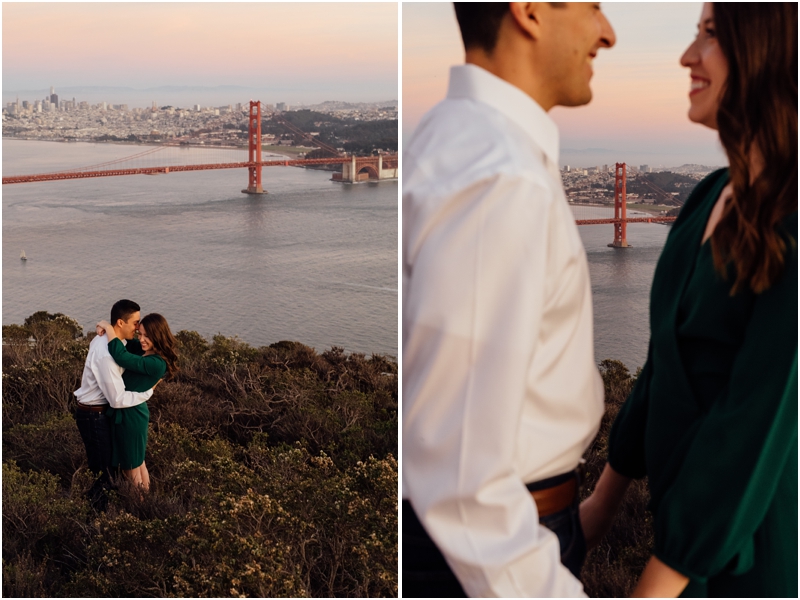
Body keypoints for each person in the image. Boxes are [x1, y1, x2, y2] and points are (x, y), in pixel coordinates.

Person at [580, 3, 797, 597]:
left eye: (710, 36)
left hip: (746, 560)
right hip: (684, 553)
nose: (686, 56)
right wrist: (603, 499)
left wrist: (656, 585)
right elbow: (664, 366)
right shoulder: (709, 196)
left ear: (769, 53)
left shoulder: (793, 227)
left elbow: (752, 428)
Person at [402, 3, 615, 597]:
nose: (608, 32)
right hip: (491, 556)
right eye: (594, 5)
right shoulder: (501, 177)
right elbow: (463, 482)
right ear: (529, 11)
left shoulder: (456, 139)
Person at [74, 299, 153, 510]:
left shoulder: (116, 341)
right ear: (120, 322)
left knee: (111, 471)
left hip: (100, 414)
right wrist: (146, 393)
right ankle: (92, 520)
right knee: (106, 474)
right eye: (135, 323)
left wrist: (105, 325)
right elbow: (117, 399)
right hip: (94, 416)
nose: (138, 328)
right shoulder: (106, 354)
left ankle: (102, 514)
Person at [97, 313, 179, 492]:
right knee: (138, 463)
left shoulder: (157, 363)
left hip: (130, 417)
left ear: (158, 335)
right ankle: (145, 502)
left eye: (147, 336)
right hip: (131, 413)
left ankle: (139, 507)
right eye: (139, 333)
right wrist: (107, 325)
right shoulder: (145, 351)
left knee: (131, 468)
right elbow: (124, 340)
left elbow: (120, 355)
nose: (141, 339)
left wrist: (108, 327)